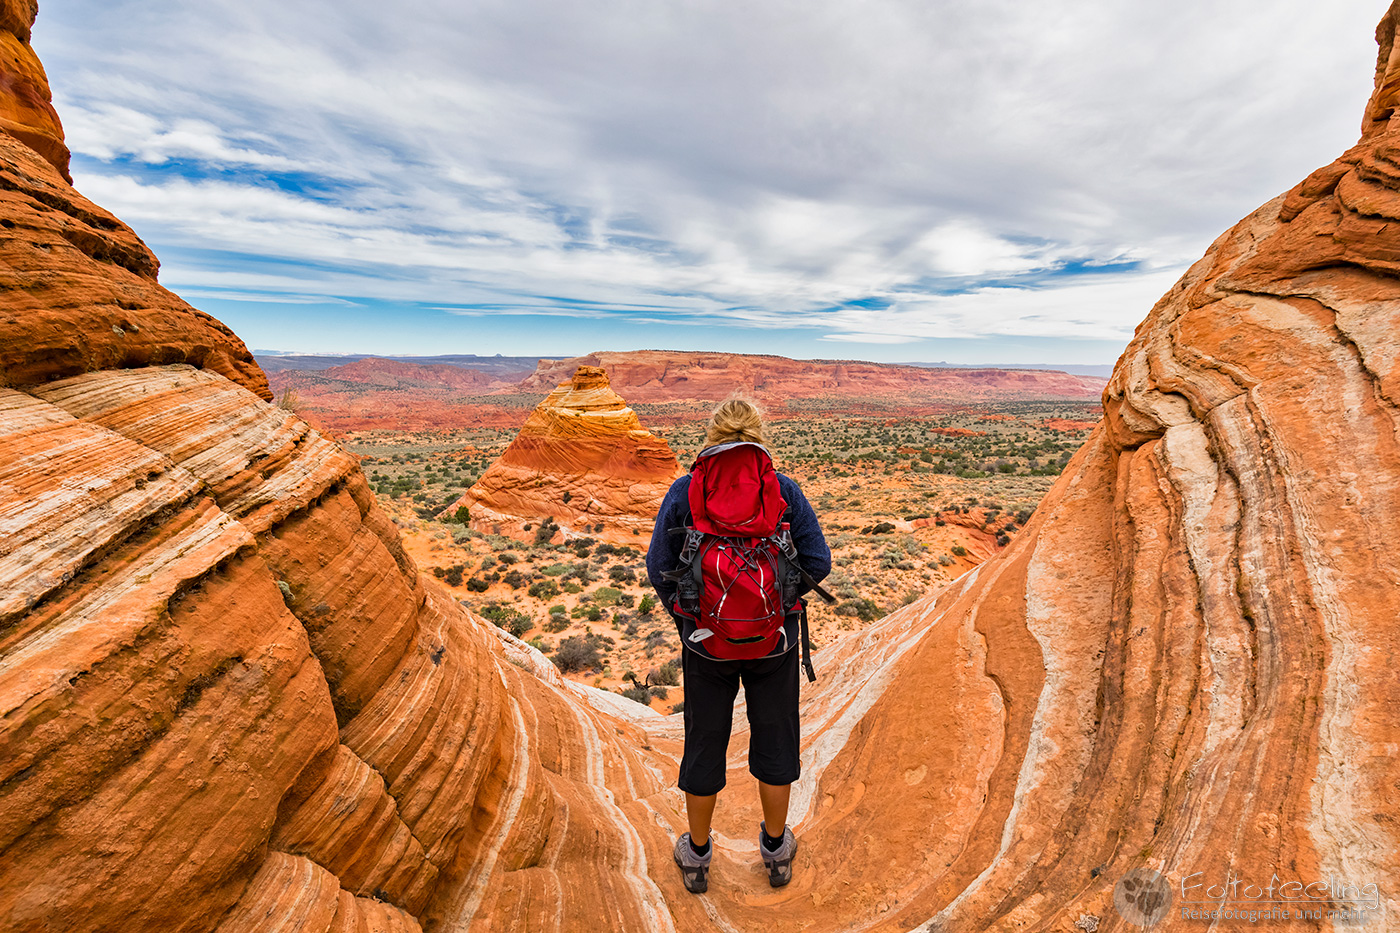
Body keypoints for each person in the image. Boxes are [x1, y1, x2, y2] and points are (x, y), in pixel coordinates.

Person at [646, 397, 831, 894]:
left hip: (706, 646)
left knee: (704, 741)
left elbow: (658, 567)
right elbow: (818, 561)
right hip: (775, 644)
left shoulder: (686, 490)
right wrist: (781, 605)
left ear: (711, 434)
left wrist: (691, 619)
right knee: (776, 739)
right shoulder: (782, 489)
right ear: (758, 434)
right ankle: (775, 850)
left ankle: (697, 855)